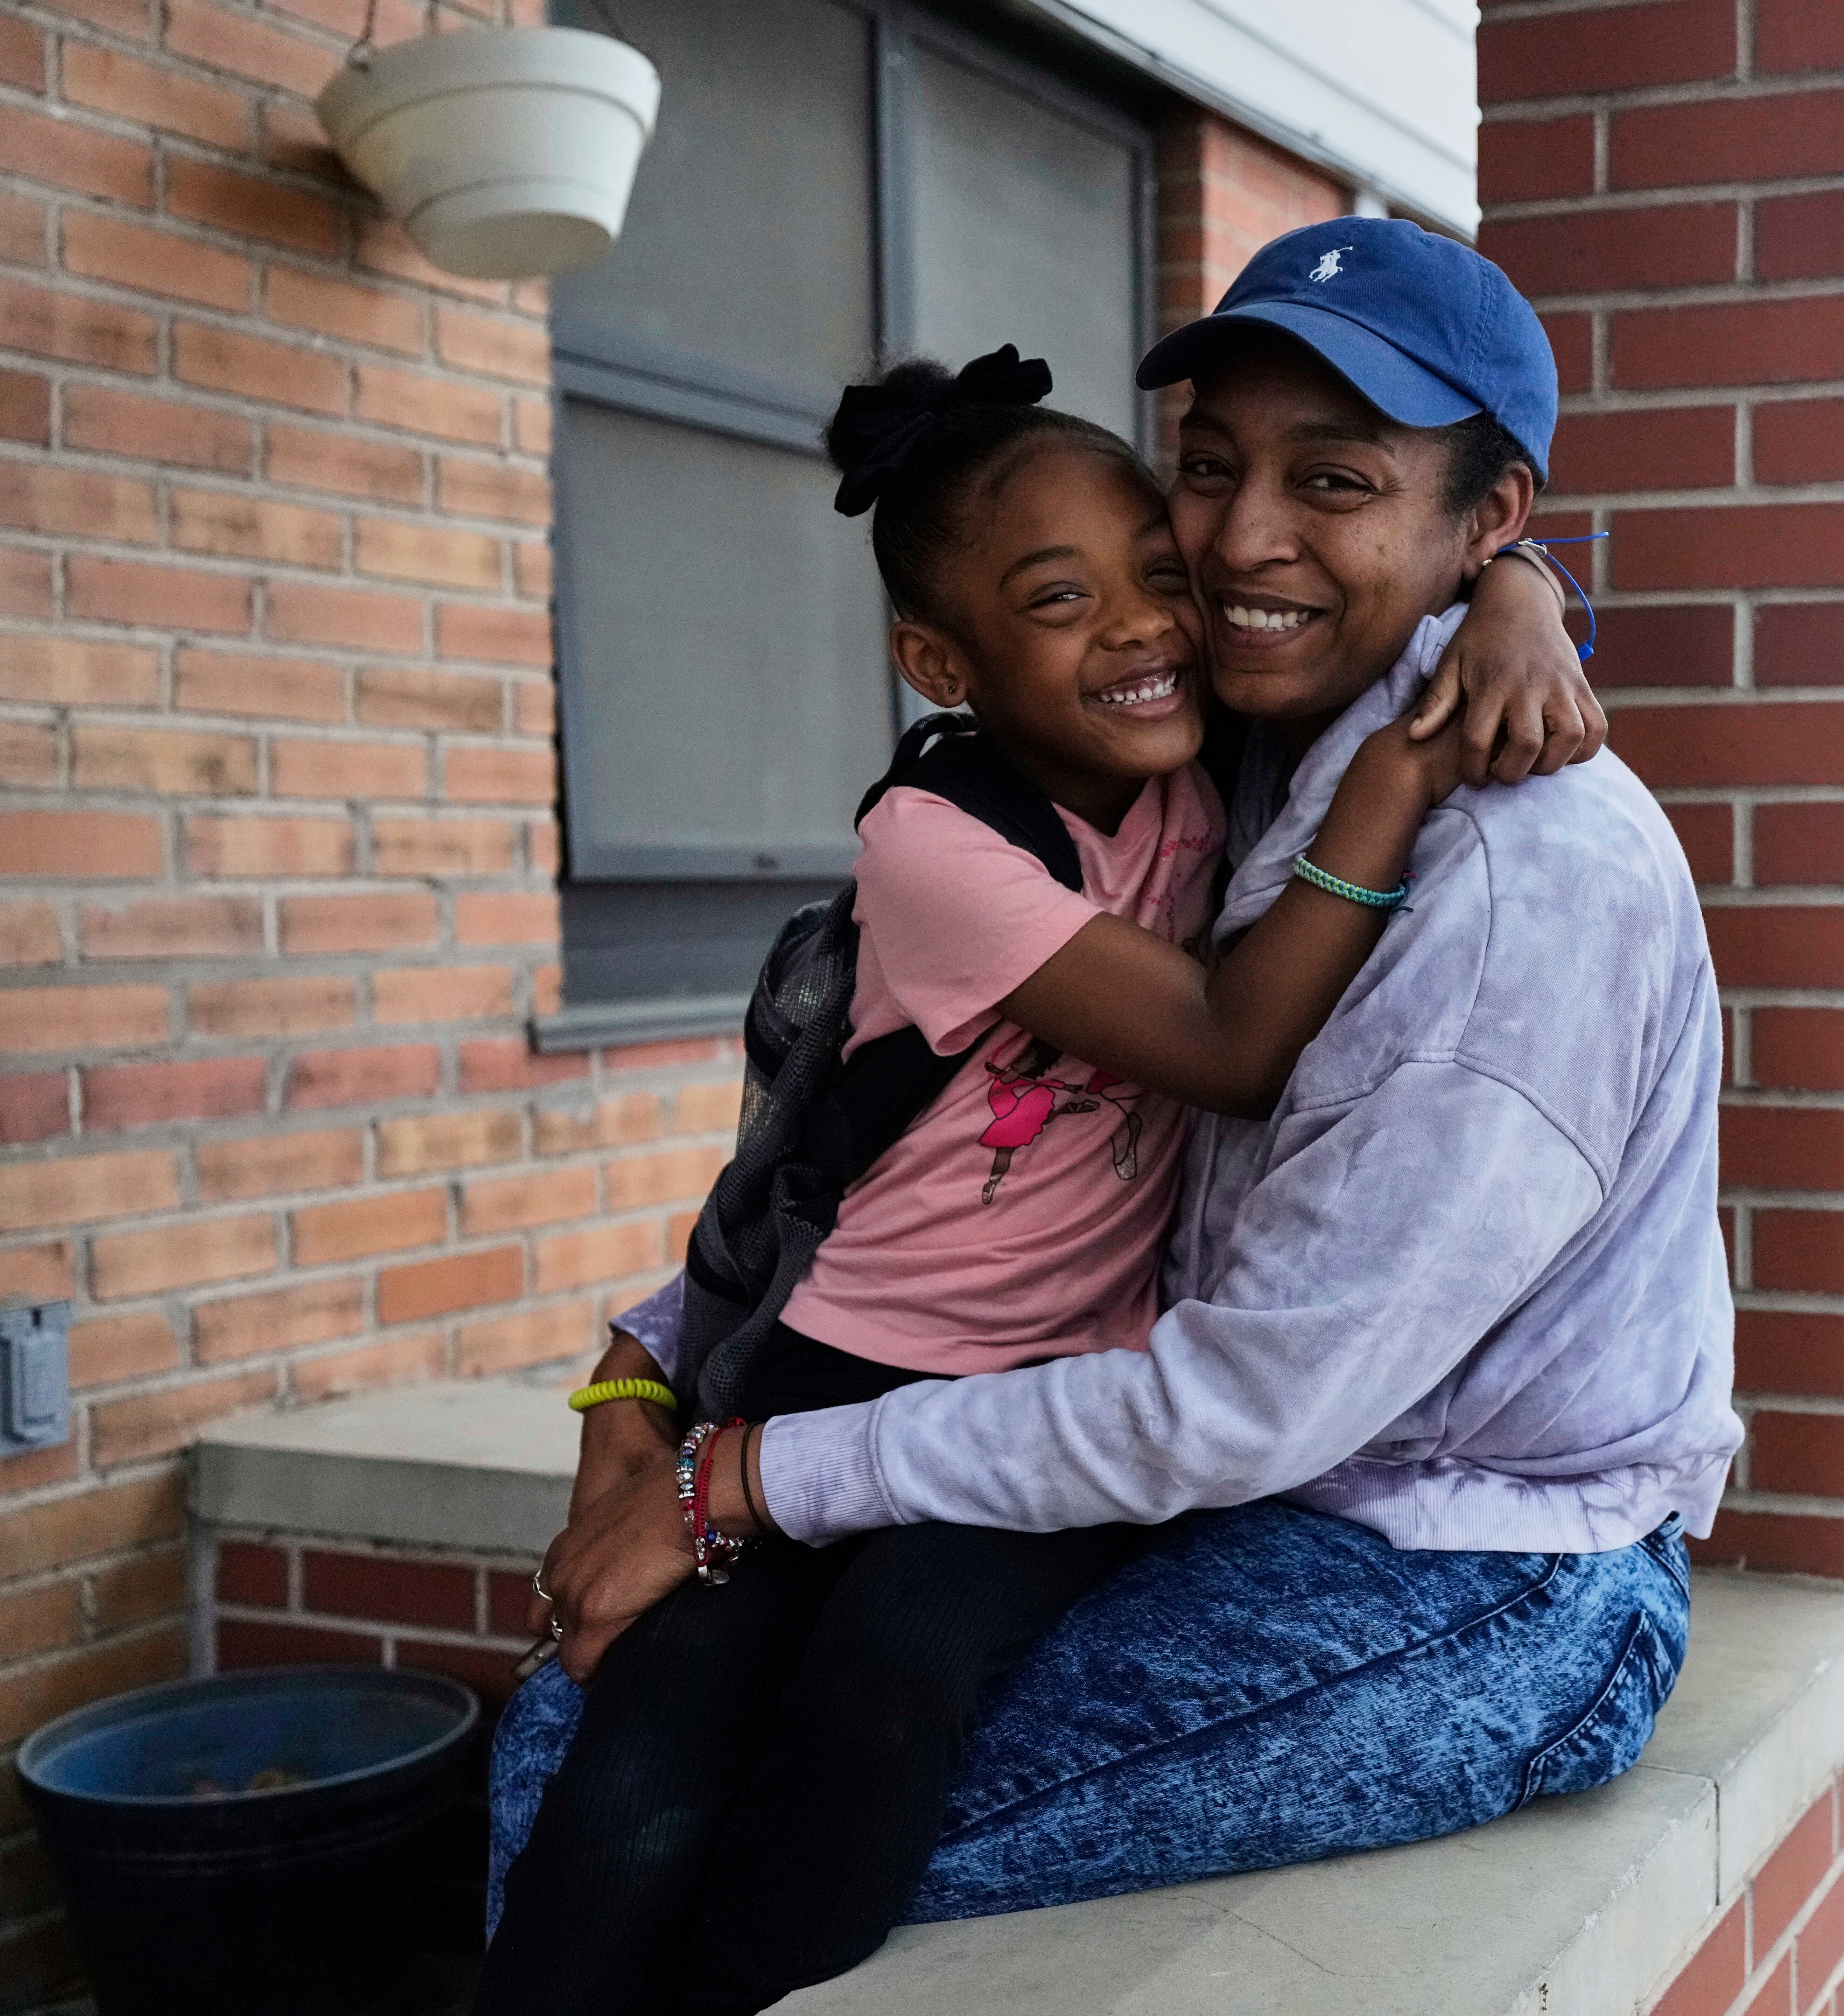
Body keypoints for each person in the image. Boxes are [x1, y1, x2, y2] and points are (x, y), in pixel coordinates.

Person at [495, 217, 1741, 2004]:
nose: (1234, 545)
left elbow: (1244, 1400)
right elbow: (922, 1137)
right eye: (1209, 472)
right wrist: (653, 1363)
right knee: (614, 1721)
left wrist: (748, 1475)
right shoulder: (1232, 734)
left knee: (719, 1790)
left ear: (1484, 517)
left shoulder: (1501, 901)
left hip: (1473, 1566)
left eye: (1332, 481)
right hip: (1222, 1469)